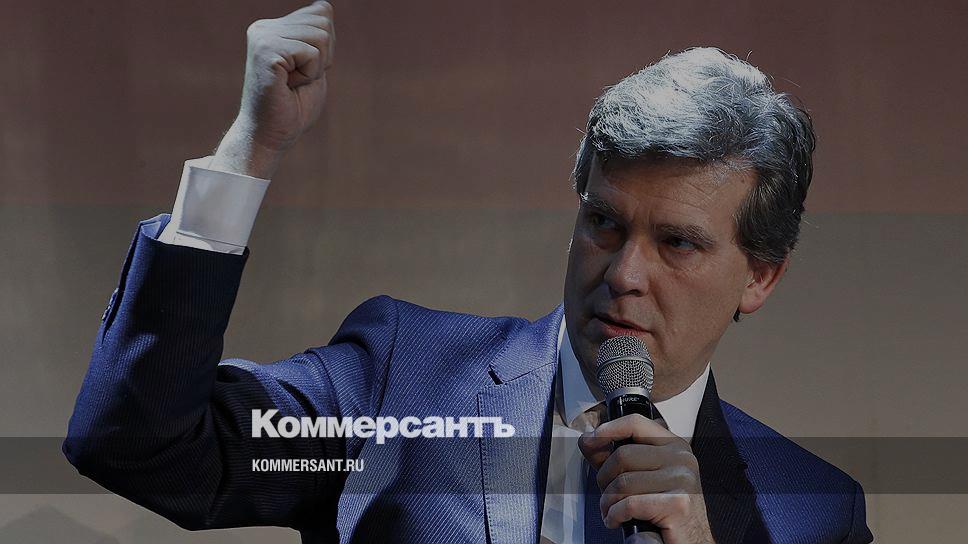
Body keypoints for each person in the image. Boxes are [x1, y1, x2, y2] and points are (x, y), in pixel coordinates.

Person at [63, 2, 873, 543]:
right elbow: (141, 446)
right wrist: (249, 151)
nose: (625, 272)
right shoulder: (401, 385)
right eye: (604, 222)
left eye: (678, 244)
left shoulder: (812, 512)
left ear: (760, 278)